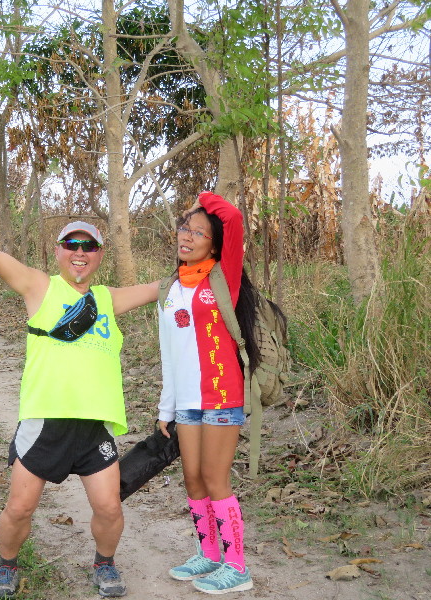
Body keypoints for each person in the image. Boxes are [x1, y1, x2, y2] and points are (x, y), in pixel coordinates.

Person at [0, 200, 159, 599]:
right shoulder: (41, 287)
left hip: (95, 425)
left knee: (109, 507)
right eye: (71, 244)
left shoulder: (108, 298)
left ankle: (104, 563)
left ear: (99, 255)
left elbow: (165, 287)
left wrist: (210, 253)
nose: (79, 252)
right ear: (58, 251)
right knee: (20, 507)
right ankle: (7, 565)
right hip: (45, 420)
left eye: (89, 246)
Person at [157, 191, 273, 594]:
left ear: (214, 244)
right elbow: (169, 352)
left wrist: (202, 199)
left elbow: (233, 218)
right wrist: (166, 407)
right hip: (187, 402)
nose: (186, 236)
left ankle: (237, 566)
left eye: (198, 231)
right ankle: (208, 554)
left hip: (222, 396)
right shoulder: (171, 289)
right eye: (184, 228)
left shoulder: (225, 278)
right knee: (193, 479)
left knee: (214, 477)